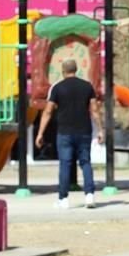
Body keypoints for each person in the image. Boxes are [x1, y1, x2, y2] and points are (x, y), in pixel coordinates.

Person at [35, 59, 102, 209]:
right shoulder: (87, 86)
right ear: (76, 69)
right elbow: (95, 110)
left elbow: (48, 111)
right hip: (84, 130)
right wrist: (100, 129)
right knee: (85, 162)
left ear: (63, 71)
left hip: (64, 132)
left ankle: (63, 199)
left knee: (65, 164)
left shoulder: (57, 88)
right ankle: (89, 196)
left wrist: (40, 133)